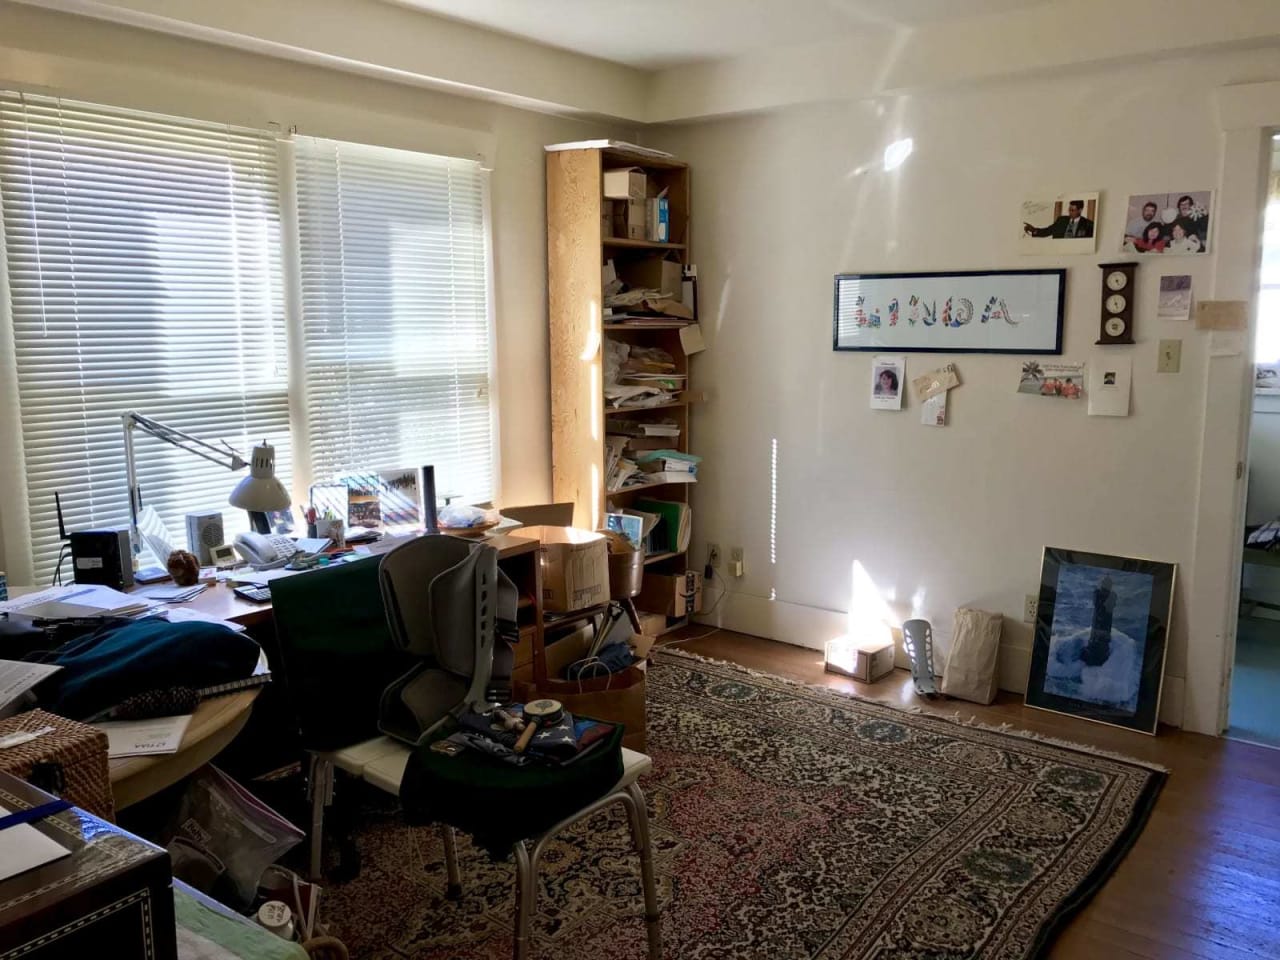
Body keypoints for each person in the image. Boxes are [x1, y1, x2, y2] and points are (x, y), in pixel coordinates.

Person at [1081, 576, 1116, 667]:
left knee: (1089, 656)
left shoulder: (1098, 595)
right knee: (1100, 657)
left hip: (1096, 635)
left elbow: (1099, 601)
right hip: (1103, 636)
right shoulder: (1112, 596)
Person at [1024, 199, 1094, 239]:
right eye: (1069, 209)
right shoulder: (1061, 220)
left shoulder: (1089, 225)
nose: (1070, 212)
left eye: (1073, 210)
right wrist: (1033, 230)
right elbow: (1047, 231)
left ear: (1080, 210)